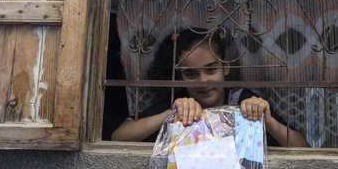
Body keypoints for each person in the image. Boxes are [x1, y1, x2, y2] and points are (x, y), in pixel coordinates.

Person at [111, 28, 307, 147]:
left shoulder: (241, 99)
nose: (203, 81)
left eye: (211, 70)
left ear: (226, 68)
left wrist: (267, 120)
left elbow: (303, 148)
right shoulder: (176, 100)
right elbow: (119, 137)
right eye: (191, 74)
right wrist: (171, 114)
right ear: (179, 77)